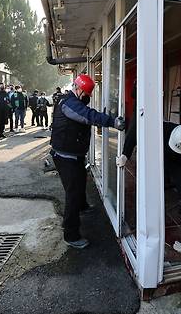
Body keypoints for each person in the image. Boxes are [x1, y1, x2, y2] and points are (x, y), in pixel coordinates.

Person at [50, 74, 126, 249]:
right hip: (65, 157)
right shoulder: (69, 104)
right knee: (73, 194)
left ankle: (82, 206)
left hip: (72, 154)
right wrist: (112, 121)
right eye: (86, 95)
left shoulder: (71, 100)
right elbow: (87, 115)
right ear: (79, 90)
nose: (87, 99)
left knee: (81, 180)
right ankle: (71, 235)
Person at [117, 122, 181, 226]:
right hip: (157, 152)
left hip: (176, 160)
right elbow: (135, 130)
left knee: (180, 178)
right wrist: (125, 154)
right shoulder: (163, 128)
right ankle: (144, 210)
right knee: (151, 180)